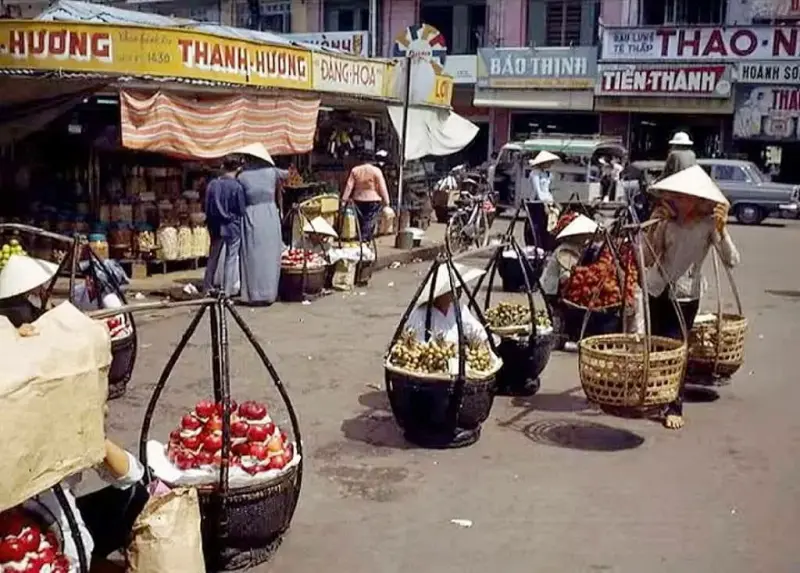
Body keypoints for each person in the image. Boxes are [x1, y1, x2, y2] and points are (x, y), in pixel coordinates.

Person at [643, 165, 740, 430]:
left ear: (697, 200)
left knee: (677, 349)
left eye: (683, 198)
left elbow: (732, 260)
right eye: (674, 197)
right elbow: (649, 258)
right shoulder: (666, 223)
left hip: (685, 295)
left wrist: (723, 231)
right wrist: (652, 227)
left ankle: (674, 405)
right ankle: (656, 396)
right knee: (655, 347)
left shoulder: (708, 225)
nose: (677, 202)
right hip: (657, 289)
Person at [234, 143, 287, 306]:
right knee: (270, 255)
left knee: (252, 255)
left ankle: (253, 293)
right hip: (269, 215)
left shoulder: (242, 176)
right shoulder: (273, 172)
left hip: (251, 215)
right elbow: (289, 174)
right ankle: (269, 292)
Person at [405, 263, 488, 344]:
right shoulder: (420, 314)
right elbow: (416, 342)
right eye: (454, 289)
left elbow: (477, 331)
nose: (459, 291)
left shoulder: (460, 309)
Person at [203, 155, 246, 296]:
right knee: (231, 258)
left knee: (213, 257)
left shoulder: (213, 184)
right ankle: (226, 292)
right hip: (232, 226)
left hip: (215, 225)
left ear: (223, 167)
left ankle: (207, 288)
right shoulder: (237, 187)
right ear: (238, 169)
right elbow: (241, 209)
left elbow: (207, 206)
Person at [341, 151, 390, 242]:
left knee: (360, 220)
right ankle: (365, 239)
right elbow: (382, 187)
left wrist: (344, 199)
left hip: (358, 198)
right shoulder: (376, 171)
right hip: (373, 199)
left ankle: (362, 237)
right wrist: (387, 201)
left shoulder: (355, 170)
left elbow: (349, 186)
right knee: (369, 219)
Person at [0, 254, 58, 327]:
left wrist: (45, 300)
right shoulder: (21, 309)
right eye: (39, 283)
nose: (42, 286)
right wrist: (47, 303)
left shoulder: (18, 300)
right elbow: (44, 321)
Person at [523, 150, 560, 250]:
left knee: (548, 226)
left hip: (546, 202)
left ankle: (546, 246)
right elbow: (538, 191)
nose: (551, 164)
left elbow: (547, 190)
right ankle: (537, 246)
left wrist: (553, 202)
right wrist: (544, 204)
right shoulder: (534, 174)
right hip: (536, 203)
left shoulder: (547, 174)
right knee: (537, 226)